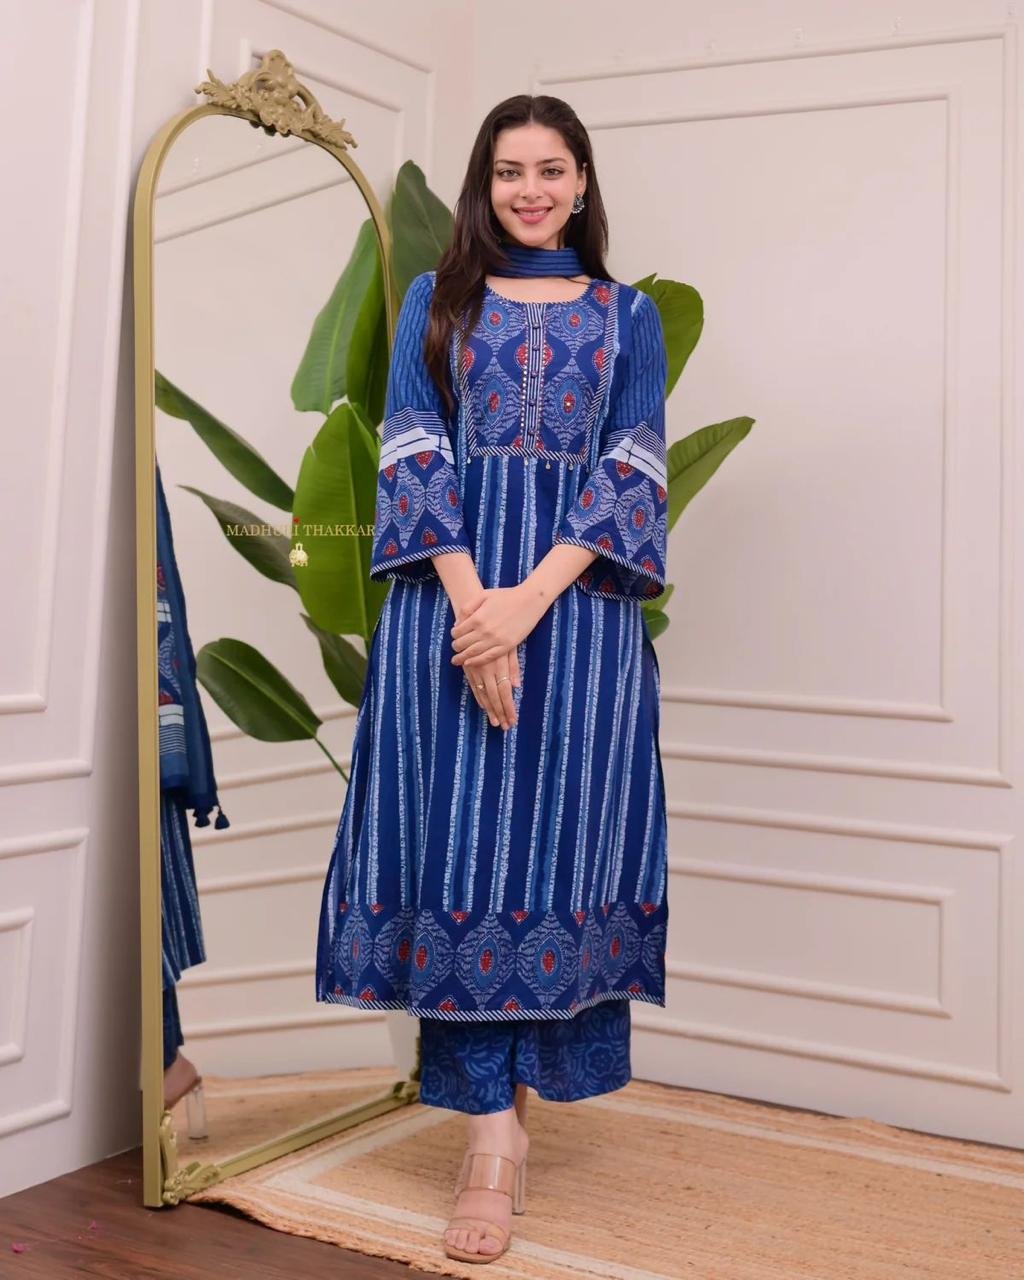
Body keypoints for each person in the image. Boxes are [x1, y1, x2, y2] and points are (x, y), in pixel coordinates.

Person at [315, 93, 669, 1264]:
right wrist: (476, 609)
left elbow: (631, 470)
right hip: (446, 616)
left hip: (578, 623)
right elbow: (411, 449)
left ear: (581, 183)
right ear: (485, 183)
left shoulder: (628, 316)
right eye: (510, 170)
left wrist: (523, 604)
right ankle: (488, 1147)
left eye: (550, 169)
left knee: (557, 855)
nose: (530, 189)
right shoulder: (436, 299)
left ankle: (515, 1124)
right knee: (460, 856)